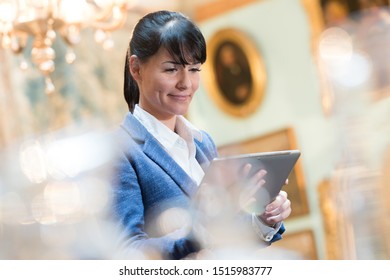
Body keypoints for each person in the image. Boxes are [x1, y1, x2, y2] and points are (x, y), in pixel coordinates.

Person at [111, 10, 292, 260]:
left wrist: (261, 218)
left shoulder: (203, 143)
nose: (186, 83)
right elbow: (127, 255)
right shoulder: (121, 152)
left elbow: (225, 238)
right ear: (136, 68)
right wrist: (201, 230)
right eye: (172, 69)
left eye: (194, 69)